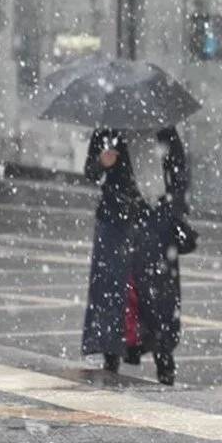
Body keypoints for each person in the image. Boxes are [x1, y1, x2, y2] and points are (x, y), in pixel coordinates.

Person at [81, 125, 189, 385]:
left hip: (154, 224)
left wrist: (172, 209)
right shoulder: (107, 132)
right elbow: (90, 171)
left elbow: (179, 174)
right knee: (115, 290)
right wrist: (102, 163)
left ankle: (164, 360)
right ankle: (112, 355)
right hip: (116, 224)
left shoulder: (164, 131)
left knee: (157, 295)